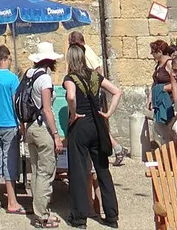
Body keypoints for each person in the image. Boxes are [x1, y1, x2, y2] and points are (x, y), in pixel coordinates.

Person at [64, 43, 121, 230]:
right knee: (103, 170)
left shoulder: (70, 78)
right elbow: (117, 91)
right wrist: (108, 113)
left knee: (79, 172)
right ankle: (111, 216)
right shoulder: (96, 76)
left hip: (80, 126)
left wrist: (73, 113)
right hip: (97, 125)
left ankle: (80, 218)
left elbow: (71, 96)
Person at [21, 41, 65, 229]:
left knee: (36, 171)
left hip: (30, 127)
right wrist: (56, 135)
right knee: (45, 173)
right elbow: (47, 109)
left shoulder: (29, 74)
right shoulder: (45, 79)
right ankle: (42, 216)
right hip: (42, 129)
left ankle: (38, 209)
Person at [0, 44, 23, 214]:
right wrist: (21, 122)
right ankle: (12, 201)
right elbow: (16, 102)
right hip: (9, 123)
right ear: (6, 57)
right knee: (9, 161)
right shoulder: (12, 78)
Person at [148, 38, 176, 147]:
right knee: (160, 129)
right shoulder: (158, 65)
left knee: (170, 129)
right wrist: (150, 98)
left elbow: (176, 83)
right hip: (160, 101)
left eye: (153, 52)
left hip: (169, 101)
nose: (151, 54)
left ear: (159, 52)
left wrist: (162, 88)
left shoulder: (169, 64)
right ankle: (167, 150)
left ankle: (173, 151)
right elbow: (155, 82)